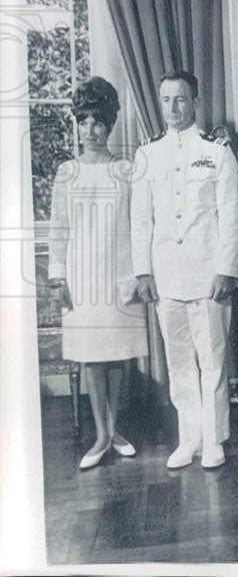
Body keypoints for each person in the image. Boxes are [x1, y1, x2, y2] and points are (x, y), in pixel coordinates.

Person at [130, 70, 238, 470]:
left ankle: (214, 440)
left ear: (195, 101)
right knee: (179, 363)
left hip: (207, 273)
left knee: (212, 359)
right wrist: (143, 272)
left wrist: (227, 269)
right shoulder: (148, 154)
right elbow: (141, 219)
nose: (172, 108)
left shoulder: (216, 151)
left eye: (180, 99)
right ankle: (189, 437)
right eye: (165, 100)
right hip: (166, 275)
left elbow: (231, 215)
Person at [47, 77, 148, 470]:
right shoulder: (66, 172)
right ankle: (102, 434)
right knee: (91, 358)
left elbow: (139, 225)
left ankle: (115, 428)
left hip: (118, 273)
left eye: (97, 122)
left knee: (118, 355)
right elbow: (59, 228)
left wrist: (140, 274)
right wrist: (58, 277)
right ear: (77, 124)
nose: (90, 130)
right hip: (81, 276)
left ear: (110, 124)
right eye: (83, 122)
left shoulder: (125, 170)